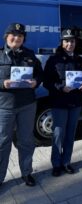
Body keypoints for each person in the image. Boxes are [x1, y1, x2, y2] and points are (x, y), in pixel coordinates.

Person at [0, 23, 43, 187]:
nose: (17, 38)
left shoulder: (30, 55)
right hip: (5, 107)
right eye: (14, 35)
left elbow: (40, 74)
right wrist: (3, 83)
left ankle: (26, 173)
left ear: (24, 38)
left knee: (26, 141)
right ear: (6, 36)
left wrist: (36, 82)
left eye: (20, 36)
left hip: (27, 105)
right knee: (3, 143)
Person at [43, 29, 82, 177]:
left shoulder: (80, 59)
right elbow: (47, 82)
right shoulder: (53, 60)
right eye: (66, 41)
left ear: (75, 43)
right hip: (60, 101)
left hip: (76, 101)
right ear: (62, 43)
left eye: (72, 41)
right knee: (58, 134)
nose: (70, 44)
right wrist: (61, 87)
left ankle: (66, 162)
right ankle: (56, 164)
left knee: (70, 133)